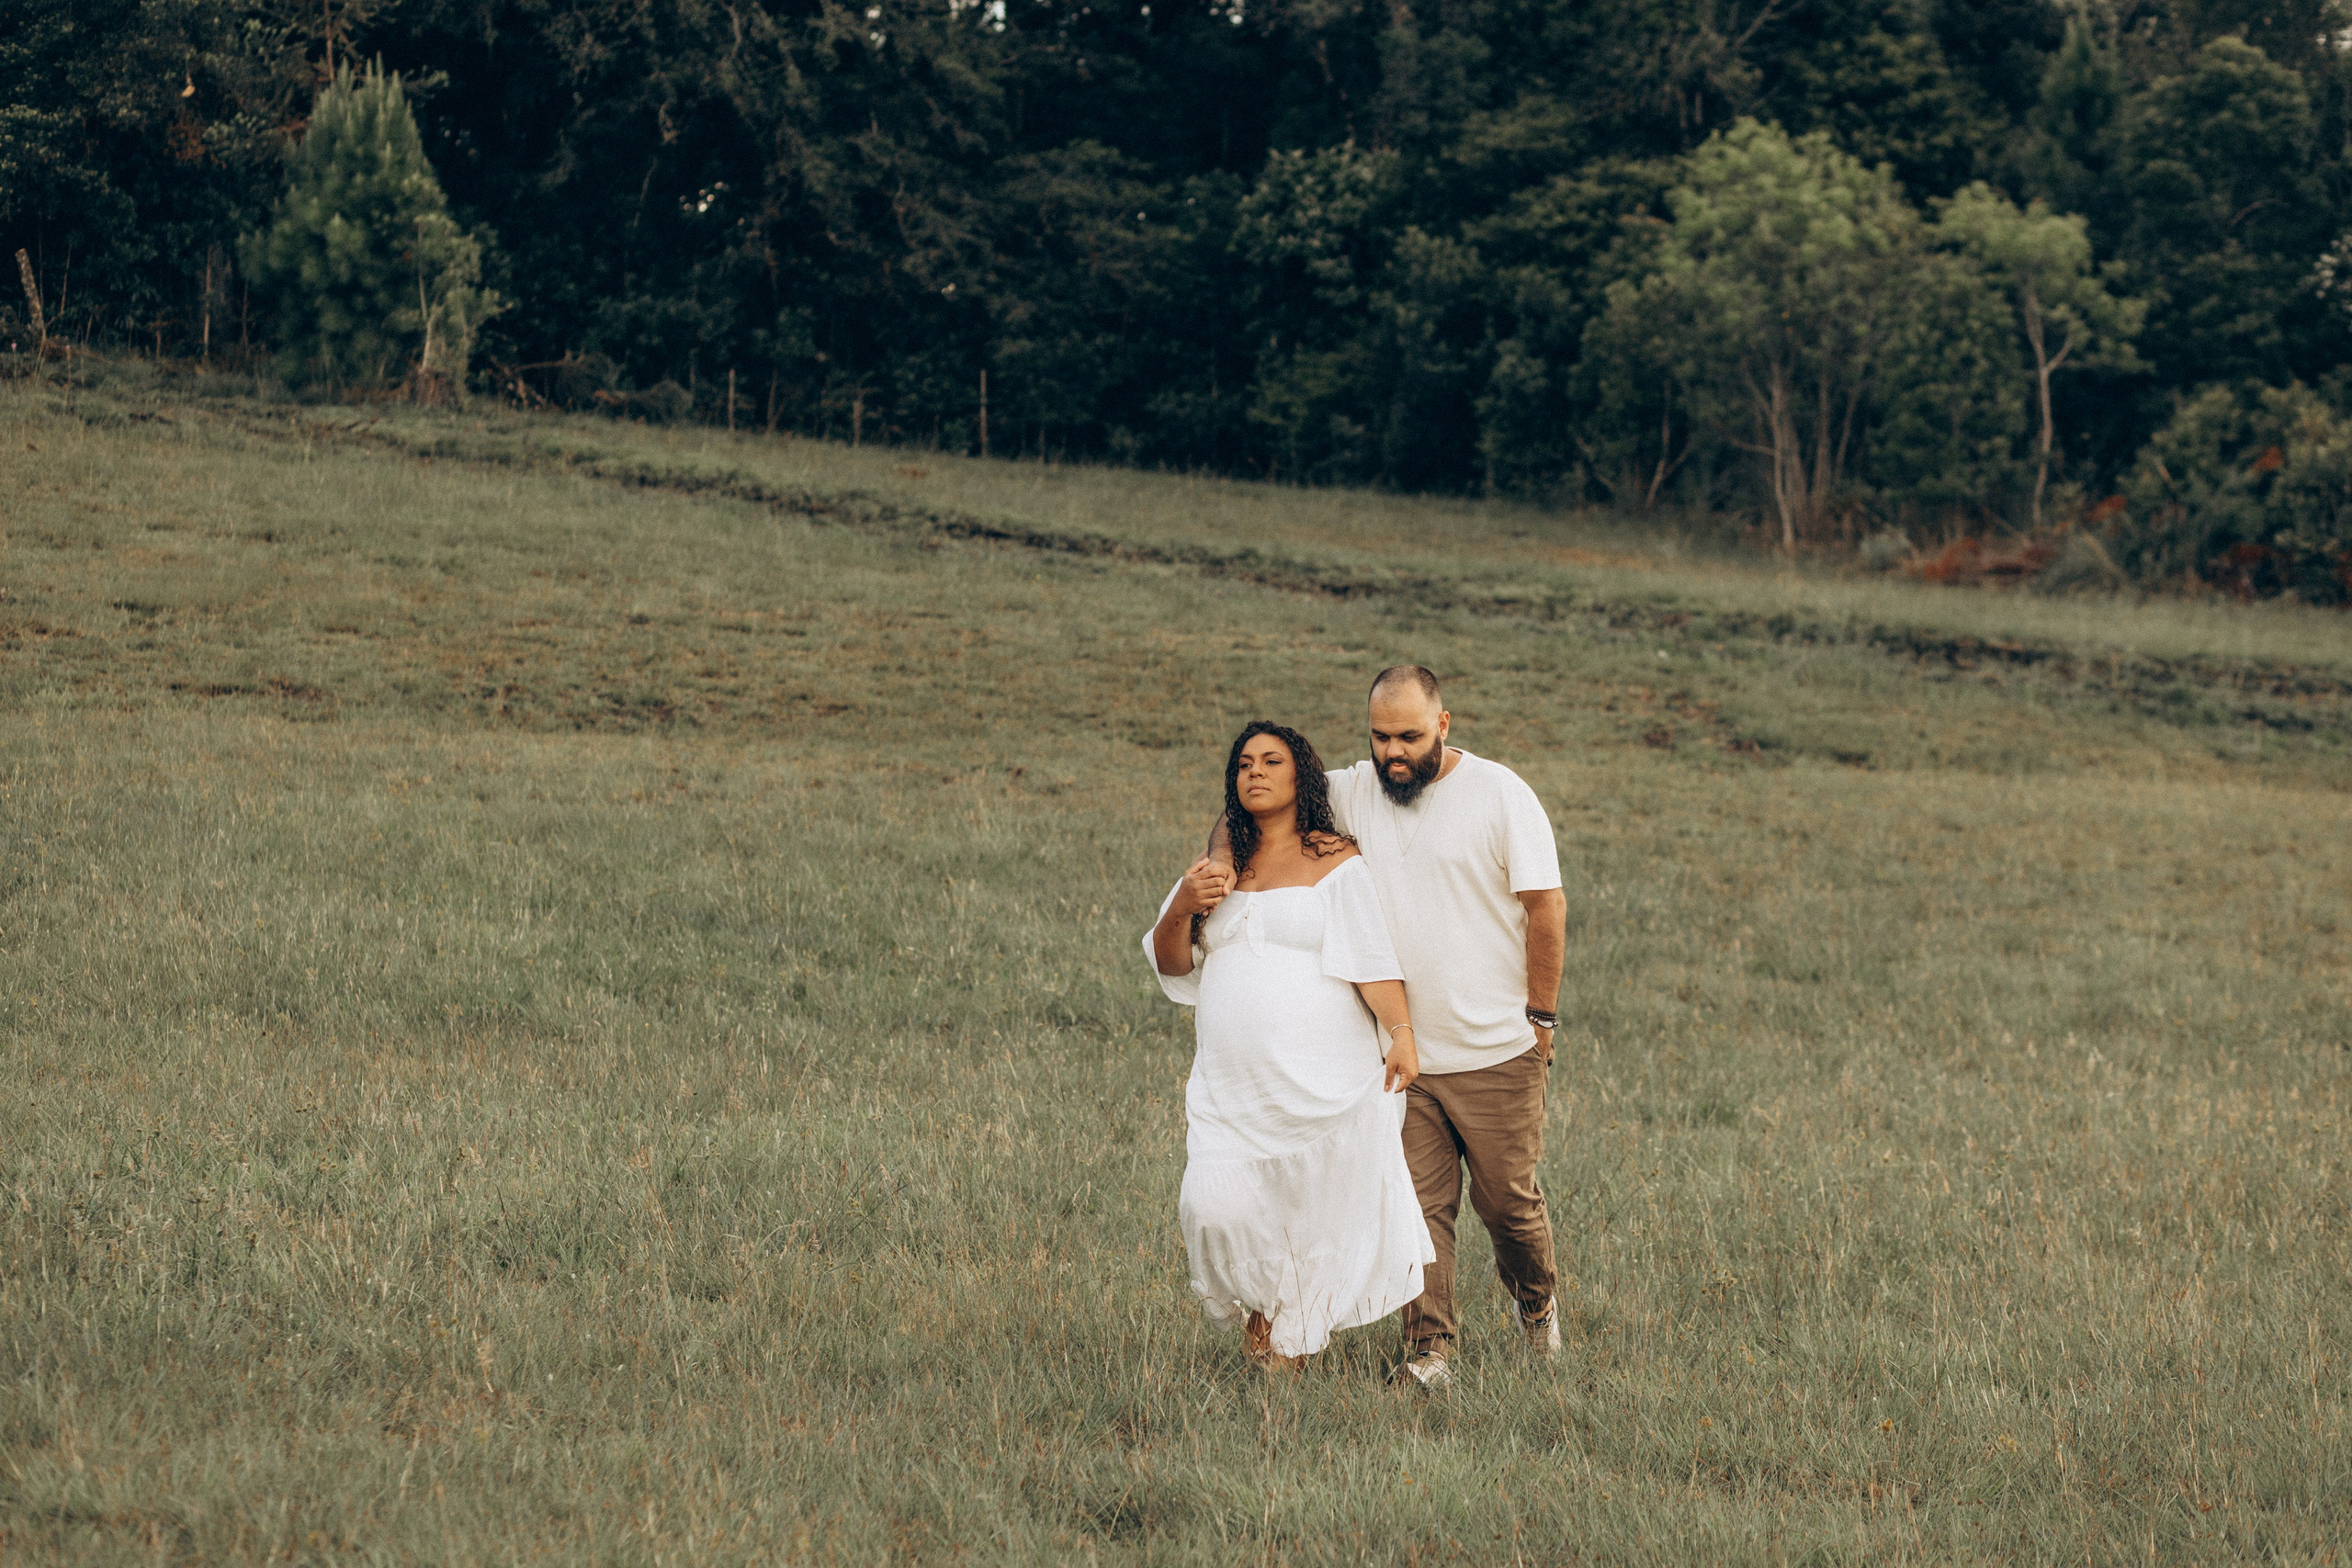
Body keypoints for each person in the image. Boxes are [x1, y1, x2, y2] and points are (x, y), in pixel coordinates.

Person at [1207, 667, 1566, 1391]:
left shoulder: (1502, 794)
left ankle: (1538, 1301)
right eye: (1379, 736)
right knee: (1417, 1209)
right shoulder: (1350, 791)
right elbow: (1253, 803)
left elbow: (1546, 906)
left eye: (1407, 735)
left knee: (1507, 1205)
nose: (1393, 752)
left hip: (1497, 1049)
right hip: (1398, 1057)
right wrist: (1218, 862)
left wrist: (1542, 1015)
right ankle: (1432, 1352)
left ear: (1444, 723)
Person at [1145, 720, 1436, 1371]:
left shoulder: (1334, 859)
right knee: (1210, 1203)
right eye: (1244, 762)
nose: (1255, 770)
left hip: (1321, 1080)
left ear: (1301, 776)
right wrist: (1182, 905)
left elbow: (1371, 959)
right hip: (1231, 1086)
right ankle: (1259, 1308)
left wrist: (1402, 1035)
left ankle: (1285, 1342)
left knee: (1311, 1209)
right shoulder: (1217, 870)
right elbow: (1170, 962)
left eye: (1272, 760)